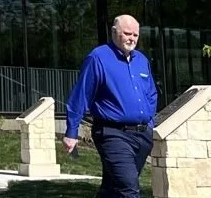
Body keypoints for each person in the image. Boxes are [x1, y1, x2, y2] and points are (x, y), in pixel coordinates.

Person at [65, 15, 160, 198]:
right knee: (128, 188)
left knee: (112, 189)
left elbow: (151, 94)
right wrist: (71, 131)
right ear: (114, 32)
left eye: (135, 35)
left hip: (142, 136)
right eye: (127, 33)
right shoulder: (98, 58)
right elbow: (81, 94)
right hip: (112, 133)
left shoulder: (141, 60)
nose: (132, 38)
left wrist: (150, 123)